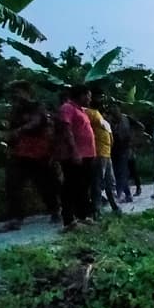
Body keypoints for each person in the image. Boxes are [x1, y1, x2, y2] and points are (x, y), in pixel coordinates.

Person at [0, 81, 59, 232]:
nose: (15, 95)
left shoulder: (38, 107)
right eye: (14, 93)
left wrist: (19, 131)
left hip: (39, 154)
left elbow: (37, 122)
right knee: (13, 184)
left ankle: (55, 211)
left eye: (18, 92)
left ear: (26, 92)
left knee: (45, 186)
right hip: (20, 153)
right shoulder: (15, 111)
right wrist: (10, 145)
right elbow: (10, 131)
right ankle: (16, 217)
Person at [55, 86, 95, 230]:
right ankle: (68, 219)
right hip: (74, 155)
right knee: (71, 187)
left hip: (87, 155)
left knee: (83, 187)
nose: (90, 99)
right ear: (81, 95)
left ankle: (82, 216)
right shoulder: (67, 108)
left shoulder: (81, 110)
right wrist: (75, 151)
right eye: (88, 96)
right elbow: (67, 131)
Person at [86, 104, 121, 217]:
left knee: (110, 182)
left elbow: (111, 139)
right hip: (99, 154)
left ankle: (114, 205)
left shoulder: (104, 121)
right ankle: (97, 209)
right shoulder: (92, 114)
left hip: (106, 154)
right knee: (98, 183)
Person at [108, 106, 133, 203]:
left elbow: (139, 127)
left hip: (123, 148)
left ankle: (120, 194)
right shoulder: (109, 121)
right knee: (118, 173)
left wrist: (132, 142)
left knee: (121, 172)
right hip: (114, 149)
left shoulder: (125, 119)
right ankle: (127, 194)